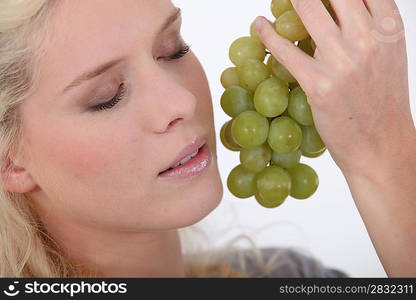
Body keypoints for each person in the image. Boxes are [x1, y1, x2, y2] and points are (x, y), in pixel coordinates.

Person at [0, 0, 414, 278]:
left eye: (172, 49)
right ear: (10, 161)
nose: (181, 100)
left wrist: (380, 149)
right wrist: (383, 153)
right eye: (106, 97)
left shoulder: (289, 276)